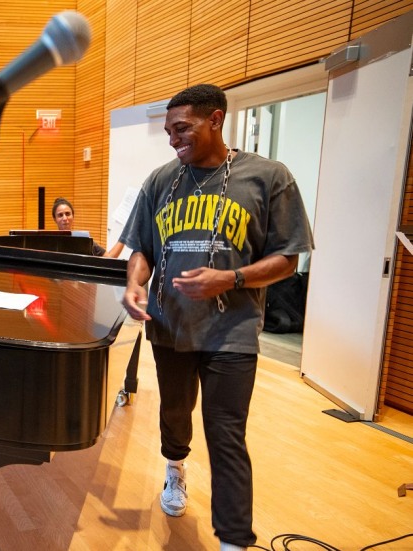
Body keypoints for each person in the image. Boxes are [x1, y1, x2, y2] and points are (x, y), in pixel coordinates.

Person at [118, 84, 314, 551]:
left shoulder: (267, 177)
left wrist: (230, 279)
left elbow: (289, 258)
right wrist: (133, 283)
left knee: (226, 434)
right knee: (174, 416)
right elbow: (142, 248)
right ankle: (175, 469)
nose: (172, 139)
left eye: (181, 128)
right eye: (167, 131)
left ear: (216, 120)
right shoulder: (160, 180)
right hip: (169, 326)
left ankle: (233, 542)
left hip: (233, 331)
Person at [51, 197, 125, 258]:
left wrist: (126, 234)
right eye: (60, 215)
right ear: (55, 219)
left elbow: (109, 258)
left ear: (73, 216)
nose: (64, 218)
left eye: (67, 214)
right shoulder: (49, 241)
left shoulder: (84, 240)